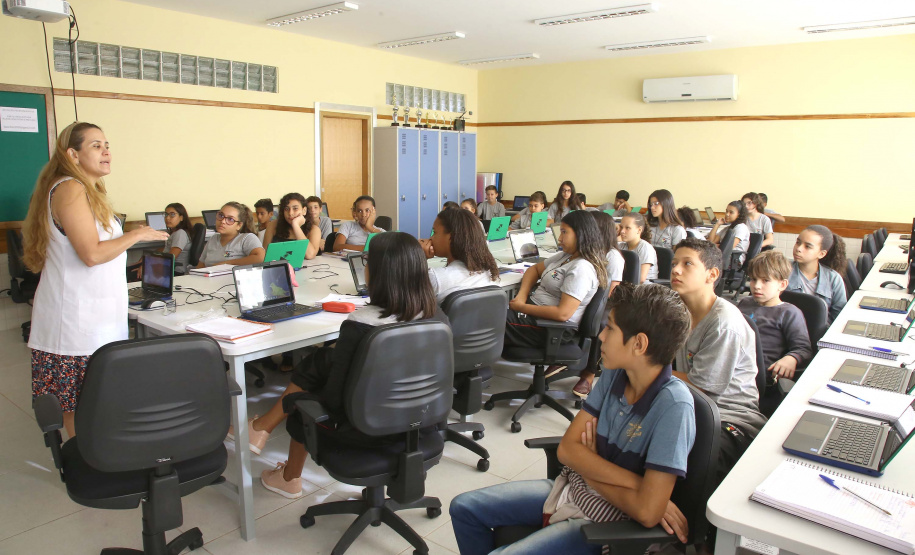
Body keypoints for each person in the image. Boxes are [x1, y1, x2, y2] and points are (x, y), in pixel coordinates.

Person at [451, 283, 696, 555]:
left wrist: (591, 469)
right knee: (463, 508)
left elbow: (648, 512)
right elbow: (568, 451)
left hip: (607, 523)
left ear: (639, 344)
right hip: (575, 488)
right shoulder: (616, 373)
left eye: (610, 328)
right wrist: (638, 487)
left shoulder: (674, 406)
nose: (601, 336)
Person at [242, 233, 449, 498]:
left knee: (304, 399)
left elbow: (335, 401)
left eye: (367, 261)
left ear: (377, 271)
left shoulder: (362, 324)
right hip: (423, 424)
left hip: (363, 432)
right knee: (323, 362)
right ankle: (267, 436)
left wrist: (300, 398)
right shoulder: (438, 316)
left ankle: (288, 476)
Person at [22, 122, 168, 438]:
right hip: (75, 319)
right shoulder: (70, 188)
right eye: (96, 145)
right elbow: (91, 254)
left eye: (107, 144)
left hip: (94, 313)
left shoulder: (86, 189)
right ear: (72, 154)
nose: (106, 151)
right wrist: (137, 235)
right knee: (77, 400)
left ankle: (93, 456)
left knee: (91, 397)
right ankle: (85, 462)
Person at [669, 238, 766, 487]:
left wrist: (651, 370)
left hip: (729, 419)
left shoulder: (724, 323)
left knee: (670, 456)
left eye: (687, 264)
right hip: (689, 406)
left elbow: (704, 389)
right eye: (674, 263)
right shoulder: (680, 311)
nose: (676, 270)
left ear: (712, 274)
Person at [504, 211, 606, 350]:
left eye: (564, 232)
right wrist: (522, 295)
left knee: (492, 319)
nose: (559, 238)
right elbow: (534, 270)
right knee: (490, 312)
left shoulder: (582, 268)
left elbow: (562, 314)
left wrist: (521, 307)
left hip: (548, 327)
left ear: (580, 234)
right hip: (533, 313)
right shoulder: (566, 256)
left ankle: (473, 366)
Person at [564, 211, 625, 399]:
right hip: (586, 299)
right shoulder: (588, 253)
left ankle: (588, 375)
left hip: (604, 305)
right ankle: (562, 353)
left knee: (599, 325)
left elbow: (610, 293)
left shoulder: (613, 256)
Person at [737, 251, 812, 380]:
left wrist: (791, 358)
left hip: (759, 376)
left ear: (782, 285)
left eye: (766, 280)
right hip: (735, 364)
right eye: (754, 279)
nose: (757, 286)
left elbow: (803, 349)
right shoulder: (745, 302)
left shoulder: (789, 313)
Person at [421, 208, 500, 303]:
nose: (430, 238)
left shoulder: (436, 278)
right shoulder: (490, 274)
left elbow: (405, 300)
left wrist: (418, 256)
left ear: (451, 237)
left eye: (435, 232)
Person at [787, 225, 847, 323]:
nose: (798, 248)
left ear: (822, 254)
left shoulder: (834, 278)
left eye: (807, 246)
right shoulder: (782, 270)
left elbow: (839, 317)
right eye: (798, 242)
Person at [197, 201, 265, 267]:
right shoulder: (213, 239)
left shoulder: (246, 238)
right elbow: (201, 266)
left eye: (230, 219)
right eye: (221, 215)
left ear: (239, 225)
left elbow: (260, 258)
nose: (223, 221)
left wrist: (225, 264)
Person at [262, 192, 321, 261]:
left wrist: (296, 226)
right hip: (278, 268)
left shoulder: (314, 229)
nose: (290, 213)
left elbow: (310, 255)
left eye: (295, 208)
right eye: (286, 209)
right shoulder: (273, 225)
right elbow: (265, 254)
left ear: (304, 210)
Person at [707, 200, 751, 267]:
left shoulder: (741, 227)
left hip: (734, 261)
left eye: (731, 212)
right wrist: (717, 224)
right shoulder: (727, 228)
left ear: (739, 214)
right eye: (727, 211)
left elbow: (728, 247)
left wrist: (710, 246)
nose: (727, 214)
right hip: (721, 256)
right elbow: (711, 241)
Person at [617, 212, 658, 283]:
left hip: (644, 289)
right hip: (626, 285)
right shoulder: (621, 246)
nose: (622, 231)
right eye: (621, 227)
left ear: (639, 230)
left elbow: (641, 279)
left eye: (627, 228)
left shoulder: (645, 248)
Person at [162, 202, 193, 274]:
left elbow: (171, 257)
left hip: (176, 271)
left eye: (172, 214)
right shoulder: (174, 232)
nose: (167, 218)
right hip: (168, 268)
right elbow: (166, 249)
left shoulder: (180, 233)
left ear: (181, 217)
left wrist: (148, 265)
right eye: (166, 214)